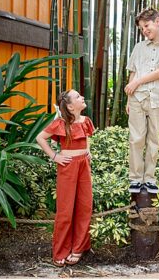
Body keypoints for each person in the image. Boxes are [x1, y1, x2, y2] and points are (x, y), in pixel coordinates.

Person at [35, 89, 95, 266]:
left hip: (84, 165)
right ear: (70, 106)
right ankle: (61, 250)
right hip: (67, 166)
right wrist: (55, 156)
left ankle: (78, 247)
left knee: (84, 206)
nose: (82, 97)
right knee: (65, 209)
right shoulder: (60, 123)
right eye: (78, 97)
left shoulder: (86, 121)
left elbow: (86, 138)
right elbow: (40, 138)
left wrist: (87, 152)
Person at [125, 8, 159, 194]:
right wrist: (129, 99)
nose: (144, 30)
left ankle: (150, 179)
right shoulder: (138, 47)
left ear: (158, 22)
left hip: (156, 98)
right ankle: (136, 178)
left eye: (146, 26)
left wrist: (137, 81)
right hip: (137, 98)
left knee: (153, 139)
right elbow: (132, 71)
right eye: (141, 28)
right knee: (136, 139)